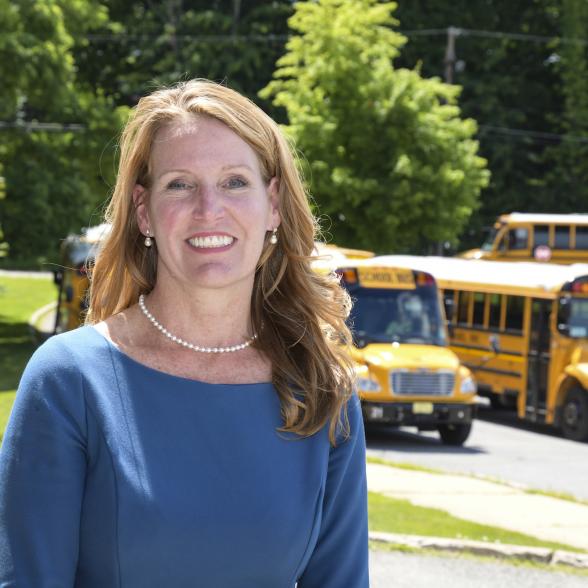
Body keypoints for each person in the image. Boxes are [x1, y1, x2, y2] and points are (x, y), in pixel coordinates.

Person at [0, 79, 369, 586]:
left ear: (275, 204)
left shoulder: (321, 390)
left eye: (235, 181)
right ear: (144, 209)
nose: (208, 209)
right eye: (179, 184)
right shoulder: (69, 381)